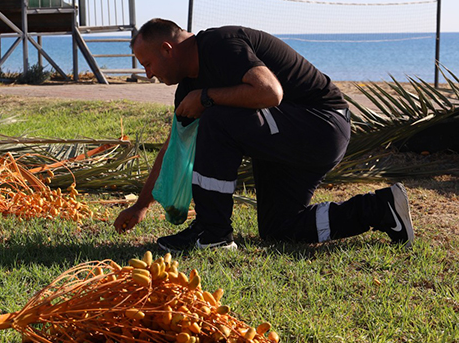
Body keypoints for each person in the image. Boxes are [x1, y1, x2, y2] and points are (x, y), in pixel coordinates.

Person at [114, 19, 414, 251]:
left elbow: (270, 92)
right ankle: (381, 208)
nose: (148, 73)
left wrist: (206, 97)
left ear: (167, 49)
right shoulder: (187, 87)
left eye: (148, 64)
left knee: (215, 118)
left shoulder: (219, 44)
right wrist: (141, 205)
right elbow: (172, 147)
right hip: (284, 141)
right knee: (279, 228)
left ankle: (213, 232)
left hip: (322, 126)